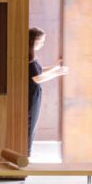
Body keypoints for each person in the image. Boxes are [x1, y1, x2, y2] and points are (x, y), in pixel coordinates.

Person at [28, 27, 68, 156]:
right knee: (30, 124)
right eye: (41, 41)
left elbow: (39, 71)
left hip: (34, 93)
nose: (43, 44)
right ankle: (25, 154)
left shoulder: (31, 55)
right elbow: (37, 78)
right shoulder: (28, 57)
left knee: (32, 124)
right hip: (30, 94)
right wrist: (57, 73)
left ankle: (26, 153)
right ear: (33, 40)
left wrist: (56, 67)